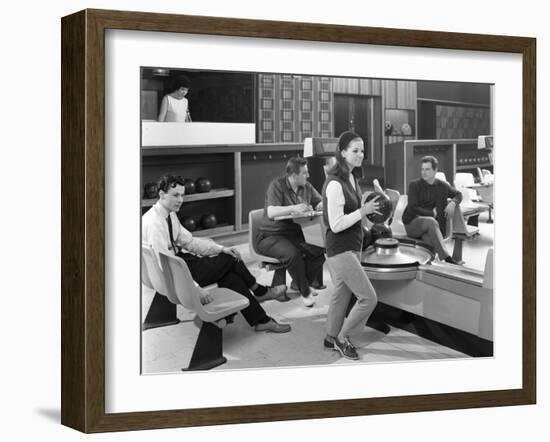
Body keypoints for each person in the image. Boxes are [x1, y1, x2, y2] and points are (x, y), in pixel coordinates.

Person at [142, 174, 290, 333]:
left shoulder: (168, 214)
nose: (180, 200)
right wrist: (195, 288)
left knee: (230, 277)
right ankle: (260, 291)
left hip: (182, 264)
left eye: (182, 195)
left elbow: (190, 242)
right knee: (230, 259)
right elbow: (165, 265)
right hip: (179, 274)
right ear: (162, 195)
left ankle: (261, 320)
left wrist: (221, 248)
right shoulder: (154, 223)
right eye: (175, 195)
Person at [321, 131, 382, 360]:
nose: (360, 155)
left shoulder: (353, 177)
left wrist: (364, 205)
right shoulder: (335, 183)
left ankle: (330, 337)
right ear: (343, 152)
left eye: (362, 150)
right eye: (355, 150)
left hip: (352, 245)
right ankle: (343, 338)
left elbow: (353, 211)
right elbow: (336, 225)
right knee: (369, 298)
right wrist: (362, 211)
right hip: (340, 248)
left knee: (341, 293)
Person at [256, 157, 326, 307]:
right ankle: (305, 291)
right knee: (293, 254)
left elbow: (318, 200)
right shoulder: (277, 185)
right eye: (305, 173)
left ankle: (299, 284)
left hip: (293, 234)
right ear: (294, 175)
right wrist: (294, 208)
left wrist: (320, 205)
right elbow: (271, 212)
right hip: (270, 236)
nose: (308, 176)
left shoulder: (306, 186)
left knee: (319, 250)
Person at [402, 156, 462, 264]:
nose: (424, 172)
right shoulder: (414, 185)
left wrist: (453, 203)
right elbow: (412, 208)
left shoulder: (443, 186)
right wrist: (431, 213)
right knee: (431, 221)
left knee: (430, 245)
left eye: (427, 169)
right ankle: (447, 258)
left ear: (435, 170)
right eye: (422, 169)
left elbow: (458, 194)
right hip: (412, 223)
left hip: (431, 228)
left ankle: (431, 269)